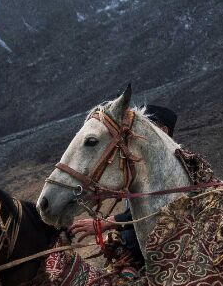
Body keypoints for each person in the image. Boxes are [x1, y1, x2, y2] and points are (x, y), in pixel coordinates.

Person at [69, 104, 177, 261]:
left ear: (164, 131)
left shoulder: (171, 164)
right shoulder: (139, 165)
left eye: (147, 125)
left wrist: (106, 223)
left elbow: (155, 207)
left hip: (161, 250)